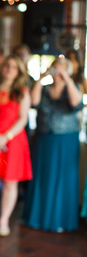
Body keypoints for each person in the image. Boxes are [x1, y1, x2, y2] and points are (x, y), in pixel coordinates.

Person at [23, 57, 84, 232]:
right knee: (43, 177)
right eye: (55, 68)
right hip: (44, 140)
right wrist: (41, 79)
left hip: (66, 141)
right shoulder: (44, 89)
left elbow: (76, 103)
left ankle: (60, 220)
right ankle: (37, 218)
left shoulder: (74, 87)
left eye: (61, 68)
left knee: (63, 179)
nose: (57, 72)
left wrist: (67, 79)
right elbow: (33, 103)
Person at [0, 55, 32, 237]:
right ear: (2, 68)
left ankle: (3, 220)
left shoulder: (22, 92)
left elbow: (23, 118)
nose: (9, 69)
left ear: (18, 72)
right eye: (7, 66)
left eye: (14, 67)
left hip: (14, 141)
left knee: (11, 184)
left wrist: (6, 137)